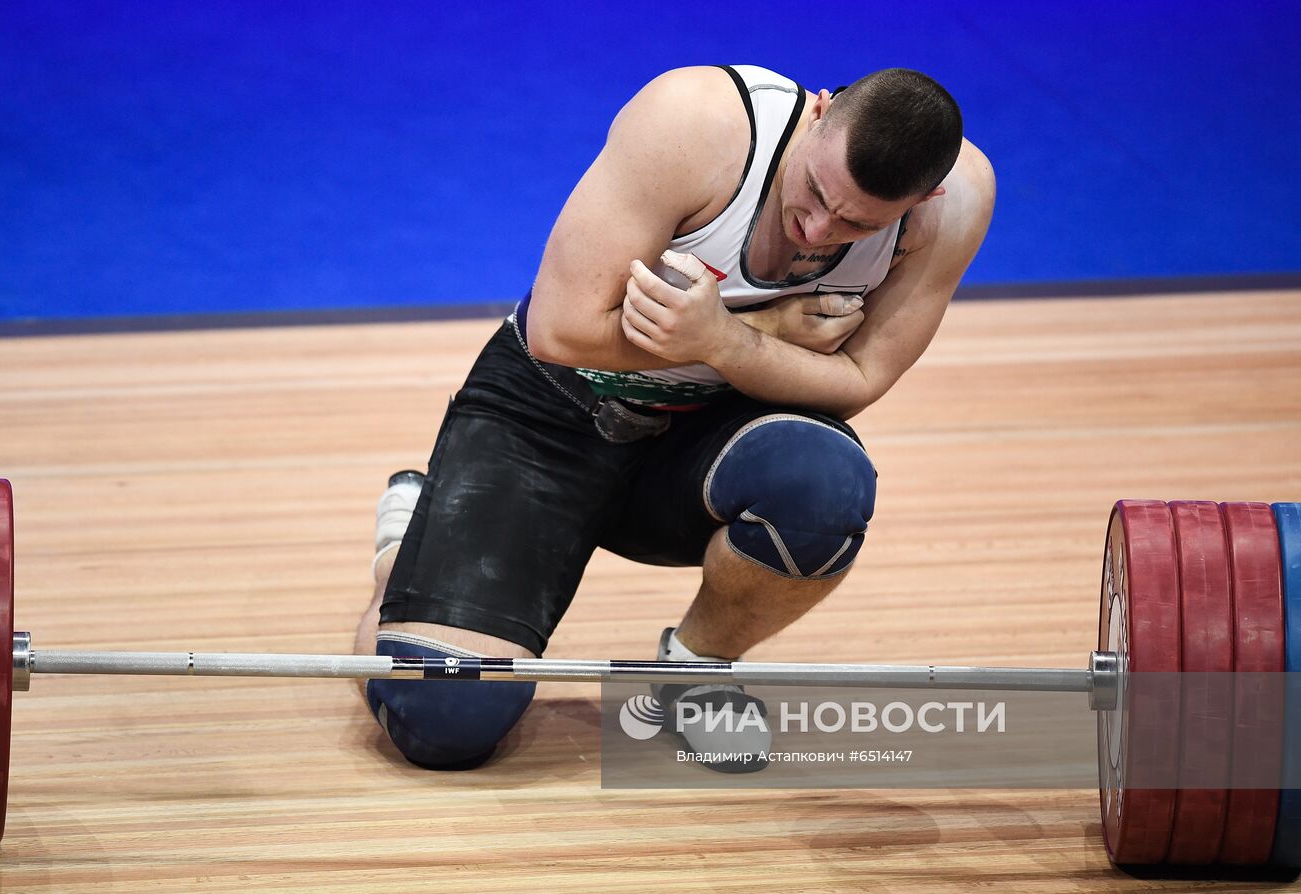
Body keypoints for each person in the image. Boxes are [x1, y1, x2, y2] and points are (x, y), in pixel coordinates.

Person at [353, 64, 995, 771]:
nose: (819, 228)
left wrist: (723, 342)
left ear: (923, 197)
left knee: (826, 484)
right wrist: (769, 332)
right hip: (551, 415)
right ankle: (402, 559)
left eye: (858, 223)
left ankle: (691, 673)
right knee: (446, 720)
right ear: (819, 112)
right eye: (815, 193)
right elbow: (559, 330)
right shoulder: (694, 122)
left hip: (704, 437)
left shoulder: (956, 200)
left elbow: (858, 381)